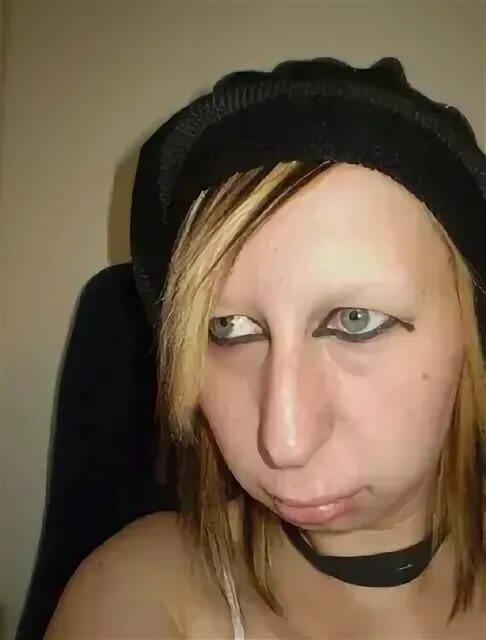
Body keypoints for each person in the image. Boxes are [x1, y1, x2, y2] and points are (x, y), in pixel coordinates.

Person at [45, 58, 485, 639]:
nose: (284, 443)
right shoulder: (141, 592)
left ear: (472, 331)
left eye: (356, 322)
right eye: (229, 330)